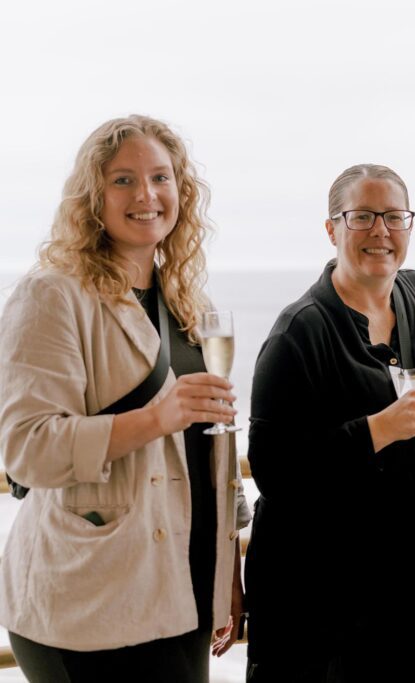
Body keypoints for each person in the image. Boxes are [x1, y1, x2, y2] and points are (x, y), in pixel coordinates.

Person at [0, 115, 249, 682]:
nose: (146, 195)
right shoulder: (51, 295)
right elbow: (27, 450)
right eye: (123, 180)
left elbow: (211, 447)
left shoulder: (190, 302)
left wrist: (227, 572)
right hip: (85, 600)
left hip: (183, 590)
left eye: (161, 177)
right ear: (93, 197)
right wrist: (157, 418)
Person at [243, 164, 415, 682]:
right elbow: (273, 469)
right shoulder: (298, 333)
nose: (380, 231)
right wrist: (378, 429)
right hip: (333, 620)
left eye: (394, 217)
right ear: (332, 229)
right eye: (362, 216)